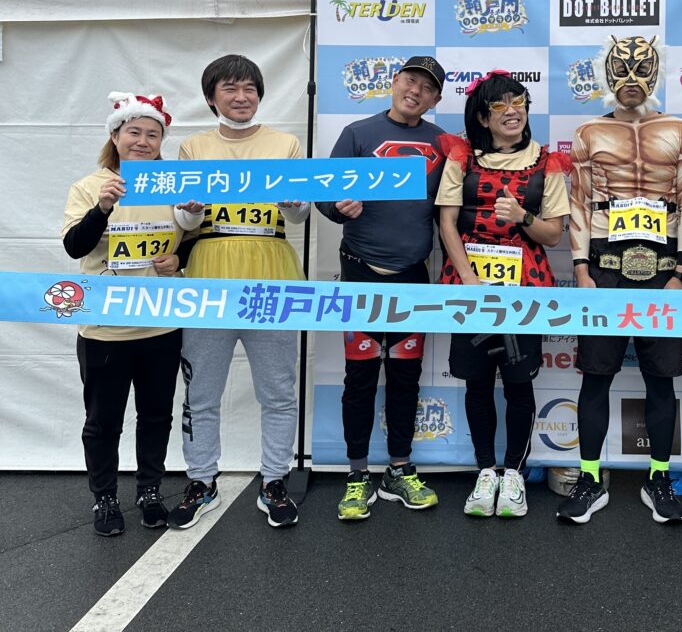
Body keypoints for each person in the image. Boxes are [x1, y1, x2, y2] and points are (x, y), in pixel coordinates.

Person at [559, 35, 682, 524]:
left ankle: (658, 477)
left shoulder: (681, 131)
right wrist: (581, 269)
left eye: (643, 68)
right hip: (605, 268)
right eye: (621, 69)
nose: (632, 79)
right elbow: (579, 202)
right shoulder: (588, 132)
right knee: (596, 376)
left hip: (663, 270)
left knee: (661, 379)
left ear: (657, 72)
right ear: (606, 74)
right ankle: (589, 478)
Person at [167, 55, 308, 529]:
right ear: (212, 98)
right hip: (209, 271)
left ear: (260, 94)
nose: (241, 96)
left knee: (278, 391)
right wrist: (190, 210)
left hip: (273, 270)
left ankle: (274, 480)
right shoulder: (194, 146)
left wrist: (294, 204)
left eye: (249, 88)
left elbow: (299, 214)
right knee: (202, 391)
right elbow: (186, 219)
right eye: (230, 88)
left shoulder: (285, 143)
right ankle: (201, 480)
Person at [316, 56, 447, 520]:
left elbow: (451, 209)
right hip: (360, 274)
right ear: (394, 82)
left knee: (406, 379)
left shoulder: (442, 143)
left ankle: (399, 468)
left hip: (413, 276)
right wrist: (338, 208)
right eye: (410, 80)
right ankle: (356, 475)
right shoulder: (357, 133)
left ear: (435, 98)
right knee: (360, 378)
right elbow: (324, 192)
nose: (415, 91)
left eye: (427, 88)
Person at [436, 70, 570, 517]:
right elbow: (446, 224)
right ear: (483, 116)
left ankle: (514, 473)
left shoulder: (546, 163)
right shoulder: (462, 158)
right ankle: (485, 471)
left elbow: (554, 235)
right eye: (500, 104)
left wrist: (522, 217)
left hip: (524, 290)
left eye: (519, 101)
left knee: (518, 383)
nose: (512, 111)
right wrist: (468, 279)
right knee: (476, 382)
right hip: (469, 286)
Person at [62, 92, 189, 536]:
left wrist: (180, 260)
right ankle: (105, 497)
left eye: (153, 134)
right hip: (105, 328)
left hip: (161, 323)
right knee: (103, 421)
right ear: (115, 136)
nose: (143, 141)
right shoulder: (89, 186)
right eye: (134, 132)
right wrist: (102, 208)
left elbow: (193, 239)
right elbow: (74, 246)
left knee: (156, 415)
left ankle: (149, 491)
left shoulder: (173, 185)